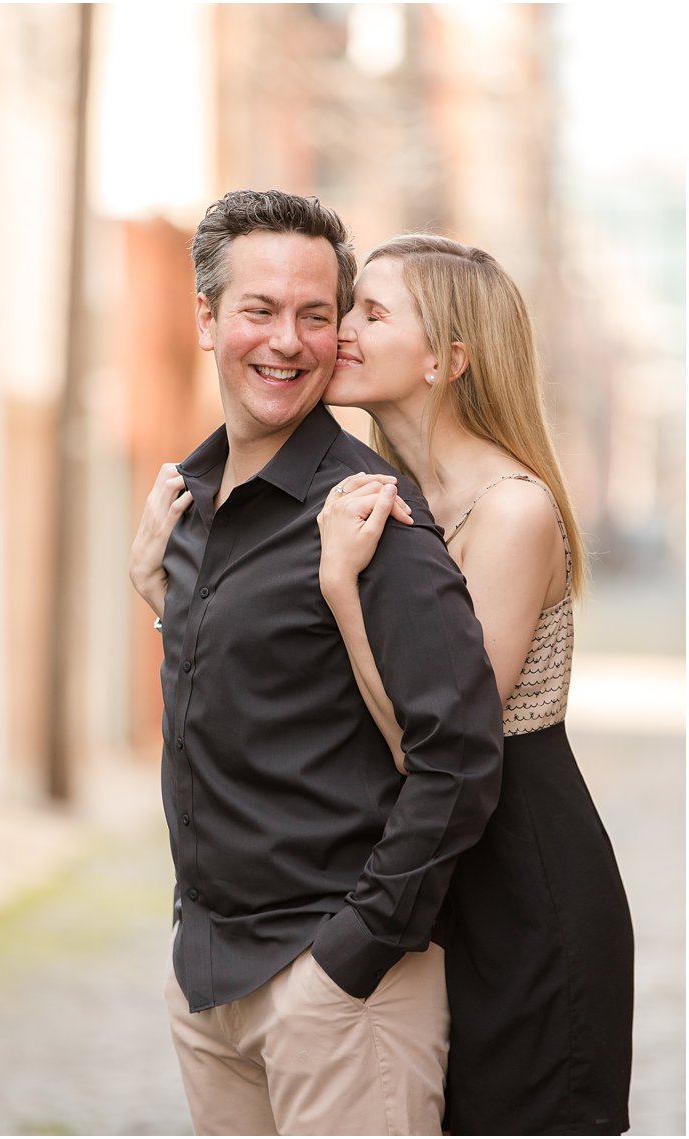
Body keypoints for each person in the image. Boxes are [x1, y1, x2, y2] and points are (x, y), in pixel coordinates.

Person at [127, 189, 505, 1135]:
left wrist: (353, 955)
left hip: (335, 989)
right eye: (260, 310)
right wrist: (166, 610)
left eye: (314, 315)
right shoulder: (187, 505)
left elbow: (460, 757)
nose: (287, 341)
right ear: (208, 318)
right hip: (210, 978)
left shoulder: (374, 520)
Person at [318, 233, 633, 1134]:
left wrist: (342, 588)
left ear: (447, 359)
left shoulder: (512, 510)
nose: (343, 330)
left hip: (527, 888)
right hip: (442, 880)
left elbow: (446, 743)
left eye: (372, 313)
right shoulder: (389, 494)